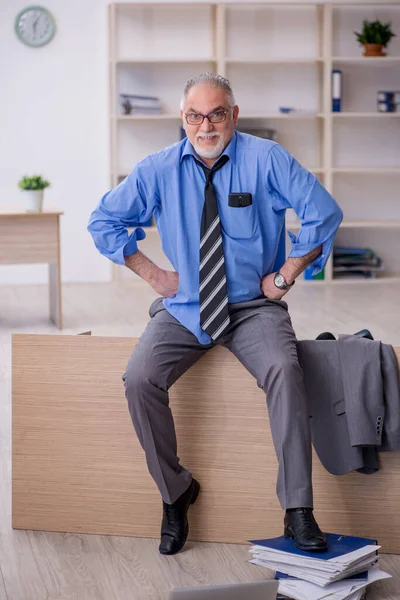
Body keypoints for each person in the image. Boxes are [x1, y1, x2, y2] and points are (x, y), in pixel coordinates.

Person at [88, 73, 343, 556]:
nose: (205, 125)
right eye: (194, 115)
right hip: (184, 308)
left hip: (251, 307)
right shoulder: (157, 169)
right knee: (139, 379)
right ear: (182, 118)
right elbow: (103, 221)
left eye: (216, 114)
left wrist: (286, 274)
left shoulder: (265, 158)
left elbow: (323, 211)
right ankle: (176, 491)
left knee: (285, 371)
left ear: (234, 115)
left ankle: (297, 509)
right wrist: (151, 274)